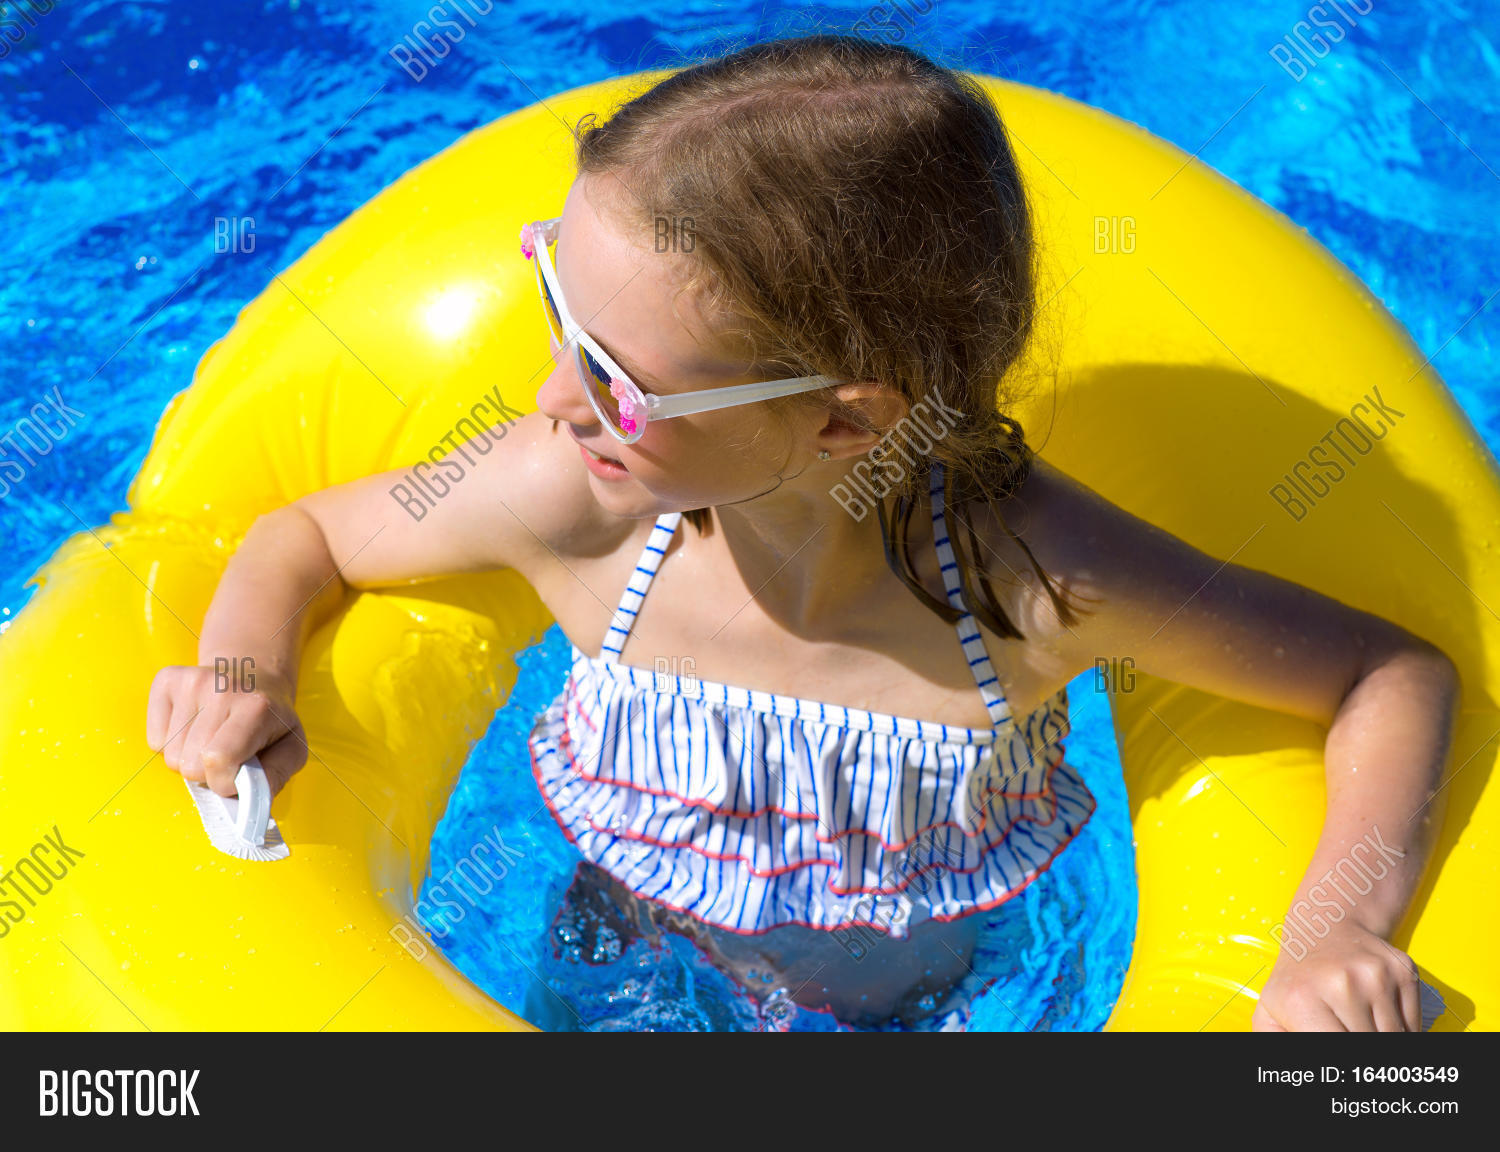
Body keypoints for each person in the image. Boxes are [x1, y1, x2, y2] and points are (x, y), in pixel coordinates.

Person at [146, 33, 1457, 1031]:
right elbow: (304, 534)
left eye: (618, 376)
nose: (553, 396)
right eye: (552, 298)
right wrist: (244, 679)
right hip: (612, 951)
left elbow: (1387, 676)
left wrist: (1329, 937)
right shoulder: (578, 502)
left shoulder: (1026, 581)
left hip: (919, 1016)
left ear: (845, 421)